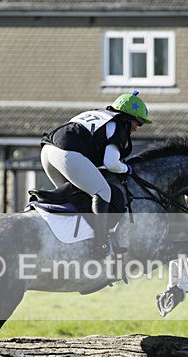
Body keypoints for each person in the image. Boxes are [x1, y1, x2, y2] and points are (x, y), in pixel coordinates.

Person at [41, 90, 151, 258]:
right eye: (138, 122)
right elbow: (111, 163)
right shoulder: (118, 124)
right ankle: (101, 244)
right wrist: (127, 169)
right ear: (127, 118)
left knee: (77, 195)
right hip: (67, 153)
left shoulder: (98, 114)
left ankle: (72, 241)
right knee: (103, 192)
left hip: (48, 151)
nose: (137, 128)